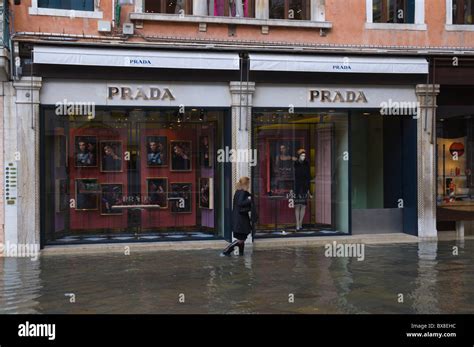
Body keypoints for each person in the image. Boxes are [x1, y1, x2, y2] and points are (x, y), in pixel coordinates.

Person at [221, 176, 256, 256]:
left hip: (238, 218)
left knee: (242, 237)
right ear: (246, 184)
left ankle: (241, 253)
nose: (249, 185)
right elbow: (240, 203)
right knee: (242, 238)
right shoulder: (242, 192)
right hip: (241, 219)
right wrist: (249, 199)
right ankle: (227, 250)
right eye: (248, 183)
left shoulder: (238, 192)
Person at [293, 149, 311, 231]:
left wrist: (308, 189)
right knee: (297, 206)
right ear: (299, 156)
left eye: (304, 155)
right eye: (302, 155)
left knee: (303, 206)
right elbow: (294, 176)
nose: (303, 157)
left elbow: (308, 176)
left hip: (304, 187)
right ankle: (297, 224)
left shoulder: (307, 164)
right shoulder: (295, 164)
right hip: (297, 187)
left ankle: (300, 223)